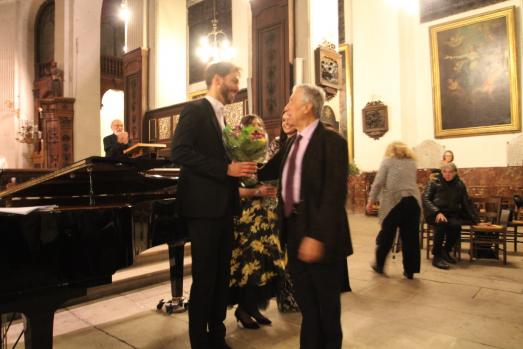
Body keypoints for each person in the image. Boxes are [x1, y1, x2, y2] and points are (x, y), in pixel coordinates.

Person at [171, 61, 257, 349]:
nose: (237, 87)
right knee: (205, 278)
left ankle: (217, 336)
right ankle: (199, 341)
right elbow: (179, 152)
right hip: (203, 210)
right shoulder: (195, 110)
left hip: (223, 208)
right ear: (217, 79)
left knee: (221, 277)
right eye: (233, 80)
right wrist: (226, 170)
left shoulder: (224, 118)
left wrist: (243, 171)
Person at [264, 84, 353, 349]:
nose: (286, 107)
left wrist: (316, 236)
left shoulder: (332, 142)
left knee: (326, 308)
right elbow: (266, 171)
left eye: (291, 101)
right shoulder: (291, 143)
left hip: (320, 236)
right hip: (293, 231)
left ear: (307, 107)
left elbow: (333, 195)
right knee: (308, 308)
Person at [229, 114, 286, 329]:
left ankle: (253, 307)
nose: (258, 131)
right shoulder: (237, 156)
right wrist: (257, 191)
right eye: (253, 127)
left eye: (260, 126)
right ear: (242, 131)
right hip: (246, 221)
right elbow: (233, 192)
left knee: (264, 267)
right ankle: (242, 309)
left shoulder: (262, 155)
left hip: (265, 218)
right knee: (249, 268)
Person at [366, 141, 421, 279]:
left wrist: (371, 200)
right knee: (411, 238)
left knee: (387, 236)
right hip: (413, 202)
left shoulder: (388, 161)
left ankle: (379, 265)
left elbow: (378, 182)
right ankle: (410, 270)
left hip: (394, 203)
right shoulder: (412, 162)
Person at [423, 162, 480, 269]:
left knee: (456, 226)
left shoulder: (459, 184)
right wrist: (437, 212)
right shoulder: (434, 182)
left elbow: (466, 202)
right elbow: (426, 199)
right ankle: (437, 256)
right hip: (435, 213)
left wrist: (476, 219)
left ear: (455, 173)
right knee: (441, 224)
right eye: (445, 172)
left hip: (451, 214)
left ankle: (445, 250)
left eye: (450, 172)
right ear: (442, 172)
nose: (447, 174)